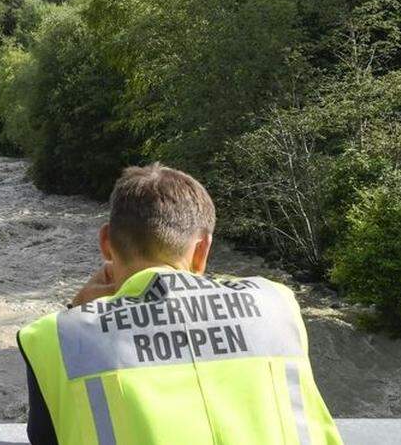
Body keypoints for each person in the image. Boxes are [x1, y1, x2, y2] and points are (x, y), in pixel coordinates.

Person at [17, 163, 341, 445]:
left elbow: (46, 436)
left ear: (106, 242)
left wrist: (79, 309)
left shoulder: (56, 335)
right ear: (202, 251)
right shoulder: (277, 304)